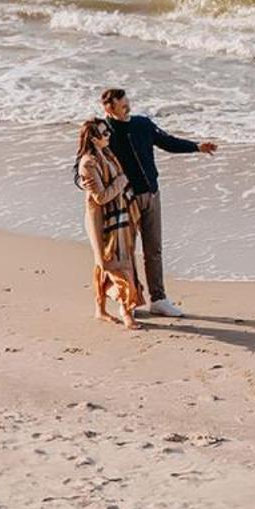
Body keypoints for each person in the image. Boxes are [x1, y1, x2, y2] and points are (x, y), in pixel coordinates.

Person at [98, 86, 218, 317]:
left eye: (127, 103)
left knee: (154, 250)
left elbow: (167, 142)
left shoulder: (142, 124)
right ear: (108, 107)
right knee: (126, 252)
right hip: (124, 200)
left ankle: (159, 299)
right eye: (122, 105)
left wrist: (196, 147)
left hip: (152, 195)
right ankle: (128, 301)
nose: (127, 108)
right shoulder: (104, 131)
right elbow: (90, 158)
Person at [75, 117, 140, 328]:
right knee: (115, 266)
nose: (108, 136)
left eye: (108, 132)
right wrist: (121, 181)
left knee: (108, 264)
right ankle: (126, 311)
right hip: (101, 222)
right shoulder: (88, 163)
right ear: (93, 139)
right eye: (104, 134)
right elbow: (100, 198)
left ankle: (100, 309)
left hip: (118, 217)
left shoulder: (107, 154)